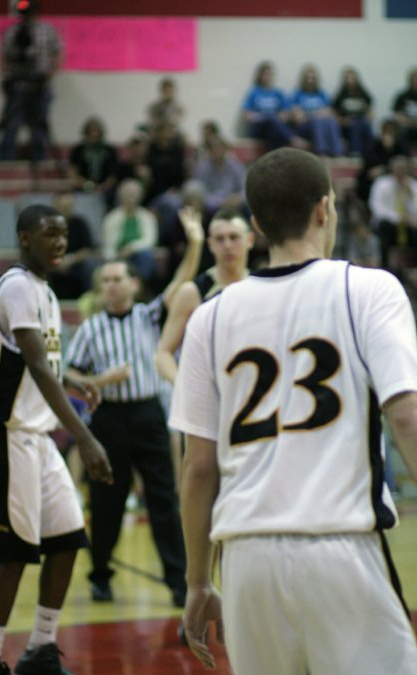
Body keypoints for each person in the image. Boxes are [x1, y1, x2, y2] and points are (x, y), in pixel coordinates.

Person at [170, 147, 417, 674]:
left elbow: (198, 466)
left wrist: (197, 581)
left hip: (245, 561)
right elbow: (406, 418)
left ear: (255, 225)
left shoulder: (210, 317)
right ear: (324, 209)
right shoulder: (370, 290)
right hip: (340, 547)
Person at [0, 204, 113, 675]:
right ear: (24, 237)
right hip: (3, 435)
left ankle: (40, 650)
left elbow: (41, 362)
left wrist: (71, 377)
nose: (59, 242)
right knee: (12, 556)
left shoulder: (44, 292)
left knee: (68, 538)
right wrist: (86, 438)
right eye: (48, 233)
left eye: (64, 234)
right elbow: (32, 364)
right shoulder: (15, 287)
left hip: (36, 436)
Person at [64, 207, 204, 605]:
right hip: (108, 419)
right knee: (106, 502)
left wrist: (193, 242)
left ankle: (179, 582)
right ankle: (100, 575)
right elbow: (68, 379)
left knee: (163, 499)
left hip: (147, 415)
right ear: (100, 288)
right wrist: (101, 381)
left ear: (133, 283)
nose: (111, 285)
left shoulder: (148, 315)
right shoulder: (90, 328)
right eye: (105, 280)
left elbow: (181, 283)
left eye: (117, 278)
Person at [155, 208, 254, 385]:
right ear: (210, 244)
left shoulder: (261, 288)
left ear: (250, 240)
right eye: (220, 239)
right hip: (208, 391)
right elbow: (163, 354)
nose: (228, 245)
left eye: (234, 237)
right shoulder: (192, 292)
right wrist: (184, 390)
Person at [0, 0, 62, 162]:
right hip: (17, 84)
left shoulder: (47, 30)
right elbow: (4, 56)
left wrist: (50, 75)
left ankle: (38, 158)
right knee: (12, 123)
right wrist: (4, 77)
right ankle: (6, 159)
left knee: (39, 124)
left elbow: (58, 53)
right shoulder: (12, 31)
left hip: (40, 84)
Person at [101, 179, 158, 287]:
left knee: (145, 256)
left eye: (134, 194)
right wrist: (115, 257)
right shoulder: (111, 218)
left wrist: (131, 248)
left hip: (138, 255)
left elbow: (150, 241)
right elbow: (107, 246)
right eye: (127, 194)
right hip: (117, 256)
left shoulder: (148, 217)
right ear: (120, 196)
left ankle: (139, 288)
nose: (131, 197)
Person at [48, 191, 99, 299]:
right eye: (63, 206)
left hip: (76, 264)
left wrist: (70, 260)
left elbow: (88, 250)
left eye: (69, 206)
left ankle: (91, 300)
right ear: (54, 206)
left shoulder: (80, 223)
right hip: (51, 264)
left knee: (91, 265)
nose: (66, 209)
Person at [369, 155, 417, 269]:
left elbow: (415, 212)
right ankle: (385, 267)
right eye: (398, 169)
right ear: (392, 169)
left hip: (408, 227)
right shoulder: (381, 184)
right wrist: (399, 218)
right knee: (384, 227)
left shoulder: (413, 186)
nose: (401, 172)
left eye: (403, 169)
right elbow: (377, 209)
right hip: (389, 226)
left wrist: (409, 196)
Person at [242, 61, 302, 150]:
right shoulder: (254, 92)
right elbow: (247, 116)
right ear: (260, 76)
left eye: (270, 74)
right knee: (270, 117)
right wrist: (264, 117)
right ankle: (293, 139)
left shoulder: (278, 93)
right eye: (265, 74)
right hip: (258, 128)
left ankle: (274, 157)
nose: (268, 76)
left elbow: (285, 114)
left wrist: (277, 117)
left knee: (273, 127)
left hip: (273, 127)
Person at [289, 64, 344, 157]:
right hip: (304, 128)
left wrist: (312, 114)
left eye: (313, 78)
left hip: (319, 123)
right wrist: (317, 114)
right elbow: (298, 118)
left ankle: (337, 152)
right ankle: (321, 151)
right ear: (304, 79)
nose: (310, 80)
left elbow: (329, 112)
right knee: (318, 120)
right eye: (308, 78)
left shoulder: (322, 93)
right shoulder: (297, 94)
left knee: (331, 120)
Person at [68, 117, 119, 211]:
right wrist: (89, 185)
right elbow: (73, 174)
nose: (94, 134)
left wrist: (103, 187)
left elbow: (113, 175)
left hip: (105, 188)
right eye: (91, 131)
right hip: (83, 186)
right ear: (86, 133)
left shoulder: (109, 150)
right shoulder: (78, 150)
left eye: (97, 131)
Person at [193, 136, 247, 217]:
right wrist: (220, 202)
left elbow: (245, 189)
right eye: (213, 148)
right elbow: (200, 193)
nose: (217, 150)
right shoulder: (202, 168)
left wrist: (238, 198)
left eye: (219, 147)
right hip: (212, 206)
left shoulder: (236, 166)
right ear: (208, 151)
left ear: (226, 149)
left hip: (234, 203)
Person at [333, 66, 374, 156]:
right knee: (355, 125)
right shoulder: (340, 95)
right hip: (346, 124)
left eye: (352, 78)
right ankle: (355, 152)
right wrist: (343, 121)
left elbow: (370, 109)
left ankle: (371, 151)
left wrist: (369, 118)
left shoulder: (363, 93)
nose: (350, 81)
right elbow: (334, 114)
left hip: (361, 120)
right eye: (348, 78)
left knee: (362, 124)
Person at [392, 67, 417, 151]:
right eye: (413, 81)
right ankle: (404, 154)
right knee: (401, 130)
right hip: (406, 125)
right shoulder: (402, 96)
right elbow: (397, 114)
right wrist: (407, 122)